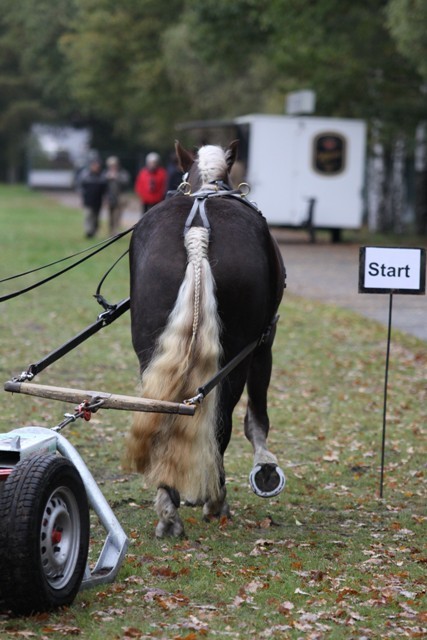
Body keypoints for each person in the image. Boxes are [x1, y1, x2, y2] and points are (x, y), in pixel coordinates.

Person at [78, 155, 106, 238]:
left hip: (98, 201)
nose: (96, 167)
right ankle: (88, 231)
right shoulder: (85, 175)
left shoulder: (102, 176)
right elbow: (80, 187)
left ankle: (94, 231)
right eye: (94, 165)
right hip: (88, 200)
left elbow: (105, 190)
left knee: (96, 218)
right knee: (88, 216)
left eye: (97, 165)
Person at [103, 156, 130, 235]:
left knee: (117, 215)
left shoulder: (122, 173)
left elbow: (126, 182)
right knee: (110, 216)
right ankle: (110, 231)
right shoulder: (106, 174)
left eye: (114, 165)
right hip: (110, 198)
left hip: (119, 198)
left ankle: (115, 231)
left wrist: (117, 177)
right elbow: (103, 186)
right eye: (111, 165)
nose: (113, 167)